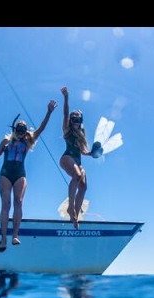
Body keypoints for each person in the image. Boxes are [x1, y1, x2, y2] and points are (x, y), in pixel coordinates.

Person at [0, 99, 57, 249]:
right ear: (14, 129)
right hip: (5, 174)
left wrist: (49, 112)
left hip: (20, 174)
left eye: (23, 130)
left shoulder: (27, 142)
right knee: (5, 205)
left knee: (18, 202)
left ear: (25, 131)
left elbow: (40, 129)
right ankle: (3, 239)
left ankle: (15, 235)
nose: (20, 133)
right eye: (18, 130)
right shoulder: (6, 142)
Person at [59, 86, 92, 229]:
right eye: (73, 119)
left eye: (77, 119)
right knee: (77, 175)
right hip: (67, 158)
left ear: (81, 121)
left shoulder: (81, 135)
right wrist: (66, 97)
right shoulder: (67, 130)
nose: (75, 122)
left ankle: (75, 216)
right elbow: (65, 114)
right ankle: (70, 207)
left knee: (84, 187)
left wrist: (91, 153)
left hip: (78, 161)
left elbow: (83, 151)